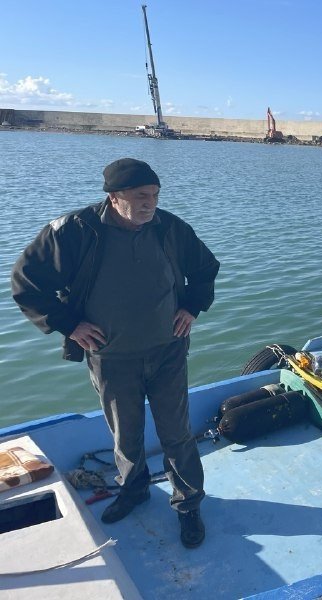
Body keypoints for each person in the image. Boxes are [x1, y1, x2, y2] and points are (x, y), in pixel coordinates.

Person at [11, 158, 220, 546]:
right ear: (114, 197)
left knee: (177, 433)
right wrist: (70, 324)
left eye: (155, 195)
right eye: (140, 196)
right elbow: (26, 282)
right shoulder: (74, 231)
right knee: (125, 434)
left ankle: (189, 503)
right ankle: (133, 489)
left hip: (168, 351)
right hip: (111, 356)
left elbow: (205, 268)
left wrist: (192, 306)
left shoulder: (170, 228)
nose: (150, 203)